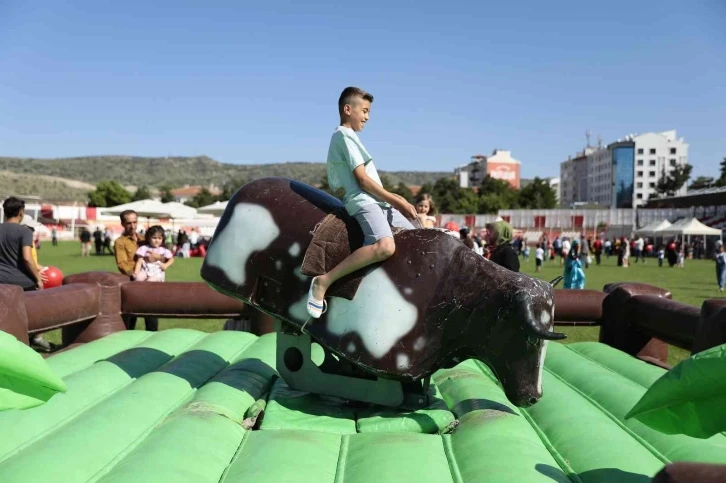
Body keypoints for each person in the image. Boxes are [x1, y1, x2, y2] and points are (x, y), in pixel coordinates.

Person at [307, 87, 417, 318]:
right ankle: (323, 282)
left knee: (419, 236)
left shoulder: (352, 138)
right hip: (362, 201)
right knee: (385, 245)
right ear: (348, 109)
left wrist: (396, 200)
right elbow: (362, 181)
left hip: (378, 202)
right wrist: (397, 201)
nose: (367, 117)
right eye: (364, 111)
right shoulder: (342, 135)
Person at [0, 198, 49, 350]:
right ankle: (33, 340)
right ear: (21, 212)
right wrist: (38, 280)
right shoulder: (24, 231)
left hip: (1, 281)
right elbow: (27, 258)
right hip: (22, 283)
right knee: (30, 316)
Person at [114, 210, 161, 331]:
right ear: (122, 224)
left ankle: (153, 345)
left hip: (150, 283)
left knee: (151, 318)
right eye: (129, 223)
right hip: (133, 284)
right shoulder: (120, 242)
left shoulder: (145, 238)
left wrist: (158, 258)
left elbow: (163, 254)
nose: (132, 226)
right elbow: (122, 264)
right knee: (131, 320)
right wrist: (136, 274)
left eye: (135, 222)